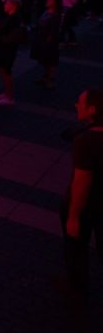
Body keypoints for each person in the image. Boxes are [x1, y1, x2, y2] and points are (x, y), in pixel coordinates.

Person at [61, 89, 103, 299]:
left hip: (88, 205)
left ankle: (77, 287)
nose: (76, 105)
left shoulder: (86, 141)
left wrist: (73, 217)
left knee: (76, 247)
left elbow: (82, 182)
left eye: (80, 103)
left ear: (92, 110)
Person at [0, 0, 26, 105]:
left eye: (6, 4)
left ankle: (9, 96)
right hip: (6, 48)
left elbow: (0, 30)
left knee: (6, 71)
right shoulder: (12, 17)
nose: (4, 6)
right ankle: (6, 93)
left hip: (7, 49)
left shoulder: (13, 18)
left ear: (13, 6)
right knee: (3, 70)